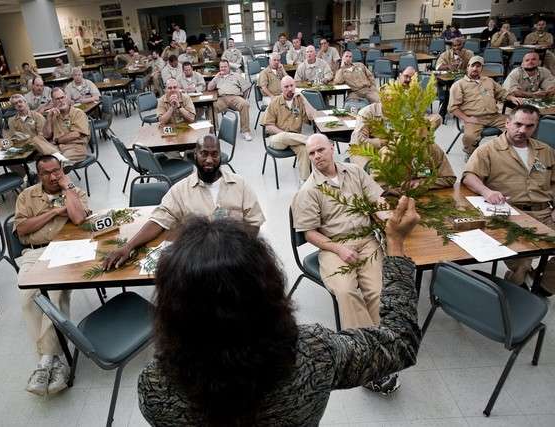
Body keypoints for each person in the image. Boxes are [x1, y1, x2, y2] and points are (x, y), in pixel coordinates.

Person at [138, 193, 421, 424]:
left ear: (171, 307)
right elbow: (400, 343)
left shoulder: (155, 386)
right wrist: (395, 244)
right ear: (270, 288)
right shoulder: (314, 352)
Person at [290, 134, 404, 394]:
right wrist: (338, 249)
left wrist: (388, 220)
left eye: (321, 150)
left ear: (332, 148)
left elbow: (376, 201)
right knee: (346, 292)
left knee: (377, 291)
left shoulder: (354, 171)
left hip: (365, 241)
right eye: (311, 153)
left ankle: (382, 351)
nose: (317, 156)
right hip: (333, 246)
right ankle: (368, 359)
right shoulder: (308, 191)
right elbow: (310, 233)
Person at [102, 134, 265, 270]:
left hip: (233, 259)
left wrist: (237, 249)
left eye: (214, 154)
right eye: (204, 154)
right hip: (197, 262)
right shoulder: (180, 190)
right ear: (195, 155)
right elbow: (159, 220)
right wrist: (128, 246)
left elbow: (254, 222)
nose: (209, 160)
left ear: (220, 156)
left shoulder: (240, 185)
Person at [14, 155, 89, 395]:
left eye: (57, 171)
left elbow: (79, 218)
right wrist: (55, 212)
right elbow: (22, 229)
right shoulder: (26, 196)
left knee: (54, 294)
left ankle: (46, 361)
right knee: (27, 297)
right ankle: (55, 362)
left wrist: (68, 191)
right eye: (46, 172)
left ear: (62, 170)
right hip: (34, 252)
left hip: (66, 249)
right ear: (38, 174)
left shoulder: (74, 190)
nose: (53, 176)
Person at [462, 105, 555, 297]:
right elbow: (469, 176)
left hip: (544, 212)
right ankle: (518, 283)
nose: (522, 130)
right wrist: (487, 192)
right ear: (507, 123)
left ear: (535, 127)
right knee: (522, 260)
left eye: (529, 126)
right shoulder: (488, 150)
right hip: (510, 214)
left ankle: (543, 285)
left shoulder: (545, 151)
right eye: (518, 124)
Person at [350, 67, 454, 189]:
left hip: (396, 148)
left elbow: (431, 119)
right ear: (381, 98)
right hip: (365, 150)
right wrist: (383, 142)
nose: (392, 102)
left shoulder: (403, 111)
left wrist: (420, 130)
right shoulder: (368, 112)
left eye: (396, 99)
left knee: (409, 167)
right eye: (388, 98)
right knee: (374, 172)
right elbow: (359, 140)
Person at [448, 56, 521, 156]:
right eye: (473, 66)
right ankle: (470, 153)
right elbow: (453, 108)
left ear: (481, 68)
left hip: (494, 116)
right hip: (474, 118)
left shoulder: (489, 81)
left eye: (478, 66)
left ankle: (509, 151)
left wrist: (511, 97)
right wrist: (467, 119)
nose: (475, 69)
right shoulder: (459, 85)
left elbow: (501, 93)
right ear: (468, 67)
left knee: (516, 126)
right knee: (470, 137)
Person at [261, 76, 318, 183]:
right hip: (277, 138)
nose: (290, 89)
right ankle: (314, 141)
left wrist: (304, 99)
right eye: (286, 86)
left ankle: (305, 182)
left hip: (295, 140)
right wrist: (285, 134)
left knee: (305, 149)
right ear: (281, 88)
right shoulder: (275, 102)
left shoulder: (299, 100)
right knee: (285, 136)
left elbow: (312, 117)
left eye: (292, 86)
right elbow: (268, 126)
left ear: (295, 86)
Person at [7, 94, 71, 164]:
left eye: (20, 101)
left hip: (38, 147)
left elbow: (43, 135)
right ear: (14, 107)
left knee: (36, 139)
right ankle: (26, 173)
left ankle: (59, 158)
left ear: (25, 102)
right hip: (23, 148)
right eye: (15, 103)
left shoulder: (37, 116)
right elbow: (13, 138)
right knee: (6, 158)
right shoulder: (12, 121)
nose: (19, 104)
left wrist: (28, 139)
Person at [208, 60, 253, 141]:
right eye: (221, 67)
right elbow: (209, 88)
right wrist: (216, 77)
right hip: (222, 99)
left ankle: (245, 131)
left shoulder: (236, 75)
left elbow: (246, 87)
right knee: (211, 107)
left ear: (229, 67)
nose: (223, 68)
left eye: (225, 67)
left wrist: (243, 98)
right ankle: (215, 131)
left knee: (244, 104)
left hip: (235, 97)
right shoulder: (217, 77)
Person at [42, 87, 90, 163]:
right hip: (57, 148)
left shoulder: (78, 113)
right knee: (36, 140)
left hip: (75, 147)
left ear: (66, 97)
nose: (61, 101)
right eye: (57, 99)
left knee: (56, 162)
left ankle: (59, 165)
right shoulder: (53, 115)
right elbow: (46, 136)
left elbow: (75, 134)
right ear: (53, 101)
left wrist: (57, 141)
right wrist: (49, 119)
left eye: (62, 97)